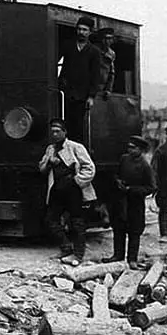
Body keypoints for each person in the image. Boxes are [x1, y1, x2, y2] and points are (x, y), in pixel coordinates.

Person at [38, 118, 97, 266]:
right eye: (52, 132)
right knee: (51, 220)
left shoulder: (75, 147)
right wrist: (48, 163)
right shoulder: (50, 149)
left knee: (77, 222)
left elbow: (89, 167)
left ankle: (78, 255)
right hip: (57, 190)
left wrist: (76, 181)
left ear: (65, 132)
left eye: (58, 131)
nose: (55, 134)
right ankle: (66, 248)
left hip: (73, 190)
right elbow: (42, 169)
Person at [102, 136, 156, 268]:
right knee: (118, 228)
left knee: (134, 231)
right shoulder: (124, 159)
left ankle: (132, 259)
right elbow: (117, 174)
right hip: (121, 201)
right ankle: (118, 255)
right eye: (129, 147)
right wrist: (118, 182)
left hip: (135, 203)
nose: (130, 150)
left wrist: (132, 189)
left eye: (133, 148)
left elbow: (151, 187)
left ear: (141, 150)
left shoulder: (145, 166)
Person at [58, 16, 102, 142]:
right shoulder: (68, 46)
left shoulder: (94, 51)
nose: (81, 32)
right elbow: (54, 60)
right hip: (65, 92)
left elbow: (95, 75)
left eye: (84, 30)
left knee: (77, 126)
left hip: (82, 95)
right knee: (63, 124)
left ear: (90, 32)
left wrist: (91, 96)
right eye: (79, 29)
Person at [96, 27, 116, 99]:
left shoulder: (111, 53)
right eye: (106, 38)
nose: (108, 41)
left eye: (110, 39)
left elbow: (111, 73)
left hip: (102, 88)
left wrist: (108, 89)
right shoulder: (93, 50)